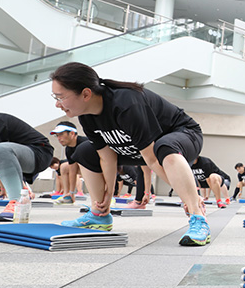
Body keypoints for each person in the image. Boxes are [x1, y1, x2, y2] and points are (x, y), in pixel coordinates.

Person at [49, 62, 210, 245]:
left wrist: (189, 199)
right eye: (55, 97)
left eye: (60, 97)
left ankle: (199, 218)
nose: (57, 104)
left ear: (86, 94)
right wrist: (107, 198)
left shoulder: (126, 103)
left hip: (183, 136)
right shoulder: (87, 116)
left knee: (164, 148)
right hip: (142, 150)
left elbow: (151, 159)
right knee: (84, 151)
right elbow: (106, 157)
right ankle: (99, 215)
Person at [0, 113, 54, 221]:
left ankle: (16, 203)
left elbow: (3, 156)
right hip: (17, 156)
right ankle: (21, 195)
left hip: (39, 152)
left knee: (0, 150)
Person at [49, 121, 89, 204]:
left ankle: (107, 196)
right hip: (87, 168)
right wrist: (72, 192)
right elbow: (72, 170)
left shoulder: (86, 143)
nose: (59, 138)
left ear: (72, 133)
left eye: (61, 134)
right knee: (64, 167)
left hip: (102, 169)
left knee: (81, 163)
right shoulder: (69, 149)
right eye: (57, 136)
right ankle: (68, 196)